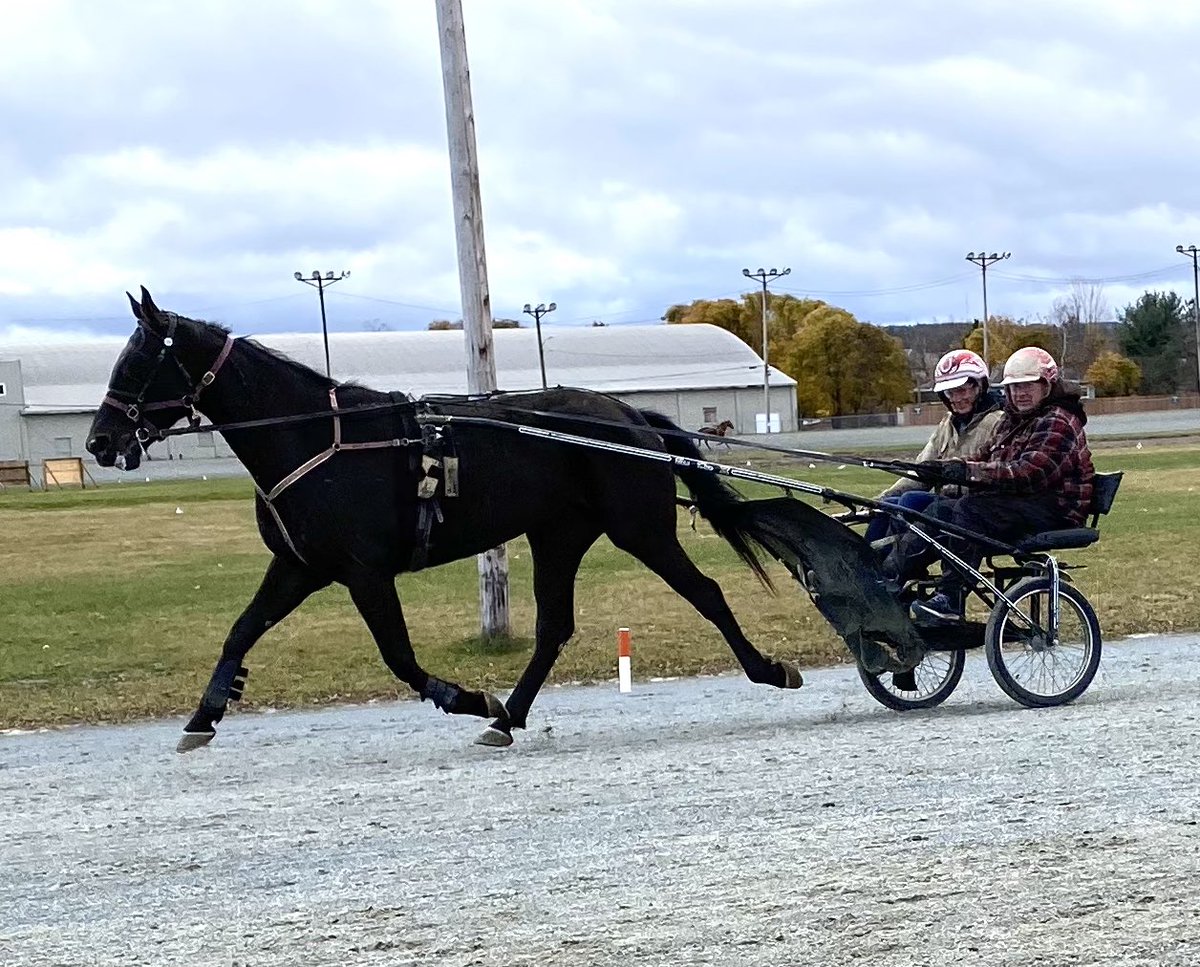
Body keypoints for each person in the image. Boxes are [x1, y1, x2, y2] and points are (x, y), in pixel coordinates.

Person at [906, 346, 1096, 624]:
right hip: (1021, 503)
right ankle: (894, 579)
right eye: (1013, 387)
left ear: (1047, 385)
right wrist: (945, 469)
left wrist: (968, 471)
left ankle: (950, 598)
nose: (1019, 393)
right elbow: (987, 457)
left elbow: (1028, 473)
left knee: (970, 509)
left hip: (1053, 508)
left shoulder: (1058, 420)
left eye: (1027, 385)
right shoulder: (1012, 420)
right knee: (938, 511)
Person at [865, 349, 1002, 547]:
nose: (956, 399)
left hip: (974, 506)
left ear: (979, 386)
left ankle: (891, 569)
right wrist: (881, 499)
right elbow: (920, 471)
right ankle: (864, 562)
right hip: (944, 501)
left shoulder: (997, 421)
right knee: (887, 506)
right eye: (950, 393)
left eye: (962, 390)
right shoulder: (947, 423)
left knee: (910, 502)